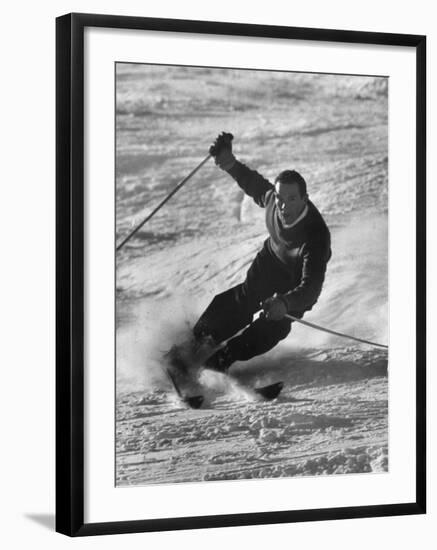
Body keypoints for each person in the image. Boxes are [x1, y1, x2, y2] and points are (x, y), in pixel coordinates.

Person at [172, 132, 331, 374]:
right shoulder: (273, 203)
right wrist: (229, 163)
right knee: (241, 301)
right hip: (271, 262)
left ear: (305, 199)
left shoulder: (315, 237)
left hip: (296, 282)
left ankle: (220, 361)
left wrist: (285, 302)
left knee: (272, 326)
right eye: (280, 198)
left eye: (291, 199)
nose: (284, 206)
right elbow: (254, 184)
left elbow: (311, 287)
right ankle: (193, 347)